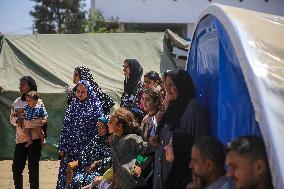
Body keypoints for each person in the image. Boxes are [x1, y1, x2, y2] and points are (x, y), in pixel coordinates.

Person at [153, 69, 211, 189]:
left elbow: (202, 146)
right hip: (163, 176)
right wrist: (156, 138)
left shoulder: (194, 110)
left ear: (182, 85)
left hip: (181, 178)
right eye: (165, 85)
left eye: (171, 85)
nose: (167, 89)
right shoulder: (171, 107)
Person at [57, 80, 104, 189]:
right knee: (67, 174)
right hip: (71, 148)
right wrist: (62, 147)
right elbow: (65, 127)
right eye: (78, 91)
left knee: (81, 178)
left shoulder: (96, 106)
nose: (80, 94)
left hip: (87, 148)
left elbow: (100, 128)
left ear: (89, 92)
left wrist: (94, 148)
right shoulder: (73, 105)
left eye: (83, 91)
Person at [10, 76, 47, 189]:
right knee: (16, 168)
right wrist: (20, 120)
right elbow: (12, 119)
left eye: (23, 84)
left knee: (33, 169)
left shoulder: (38, 101)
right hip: (21, 139)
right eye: (20, 84)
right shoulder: (17, 102)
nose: (20, 87)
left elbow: (43, 119)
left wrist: (27, 122)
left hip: (35, 140)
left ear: (30, 86)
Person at [108, 108, 152, 189]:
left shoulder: (131, 139)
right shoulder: (113, 140)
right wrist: (113, 183)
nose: (108, 124)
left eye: (110, 122)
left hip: (134, 184)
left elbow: (149, 153)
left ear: (119, 126)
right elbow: (115, 165)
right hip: (120, 185)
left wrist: (140, 167)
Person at [67, 115, 112, 189]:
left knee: (89, 180)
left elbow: (112, 159)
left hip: (101, 172)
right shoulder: (96, 139)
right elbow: (84, 152)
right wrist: (86, 165)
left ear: (108, 128)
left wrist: (98, 163)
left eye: (102, 127)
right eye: (98, 127)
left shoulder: (112, 141)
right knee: (77, 180)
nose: (99, 129)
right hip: (87, 170)